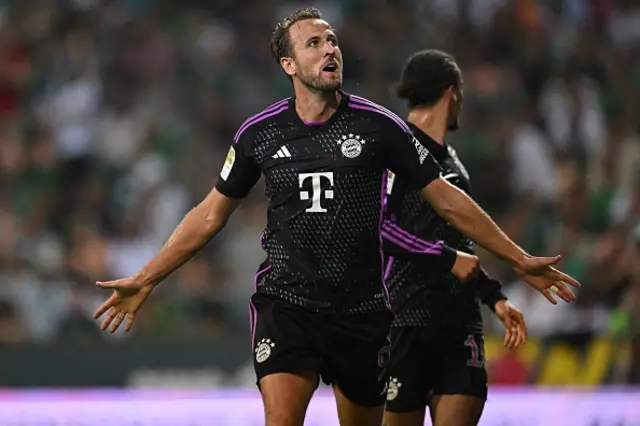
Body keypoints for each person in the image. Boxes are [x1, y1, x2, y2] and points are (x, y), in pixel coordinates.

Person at [92, 8, 579, 426]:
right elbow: (208, 215)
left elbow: (447, 200)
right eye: (314, 43)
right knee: (282, 418)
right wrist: (147, 278)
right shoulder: (259, 134)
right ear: (288, 63)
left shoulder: (379, 126)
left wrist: (518, 259)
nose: (330, 49)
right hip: (288, 303)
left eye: (332, 40)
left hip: (363, 313)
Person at [382, 50, 529, 426]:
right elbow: (378, 228)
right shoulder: (394, 151)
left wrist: (493, 297)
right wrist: (446, 257)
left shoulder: (453, 164)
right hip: (404, 320)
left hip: (460, 323)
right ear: (452, 93)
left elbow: (461, 245)